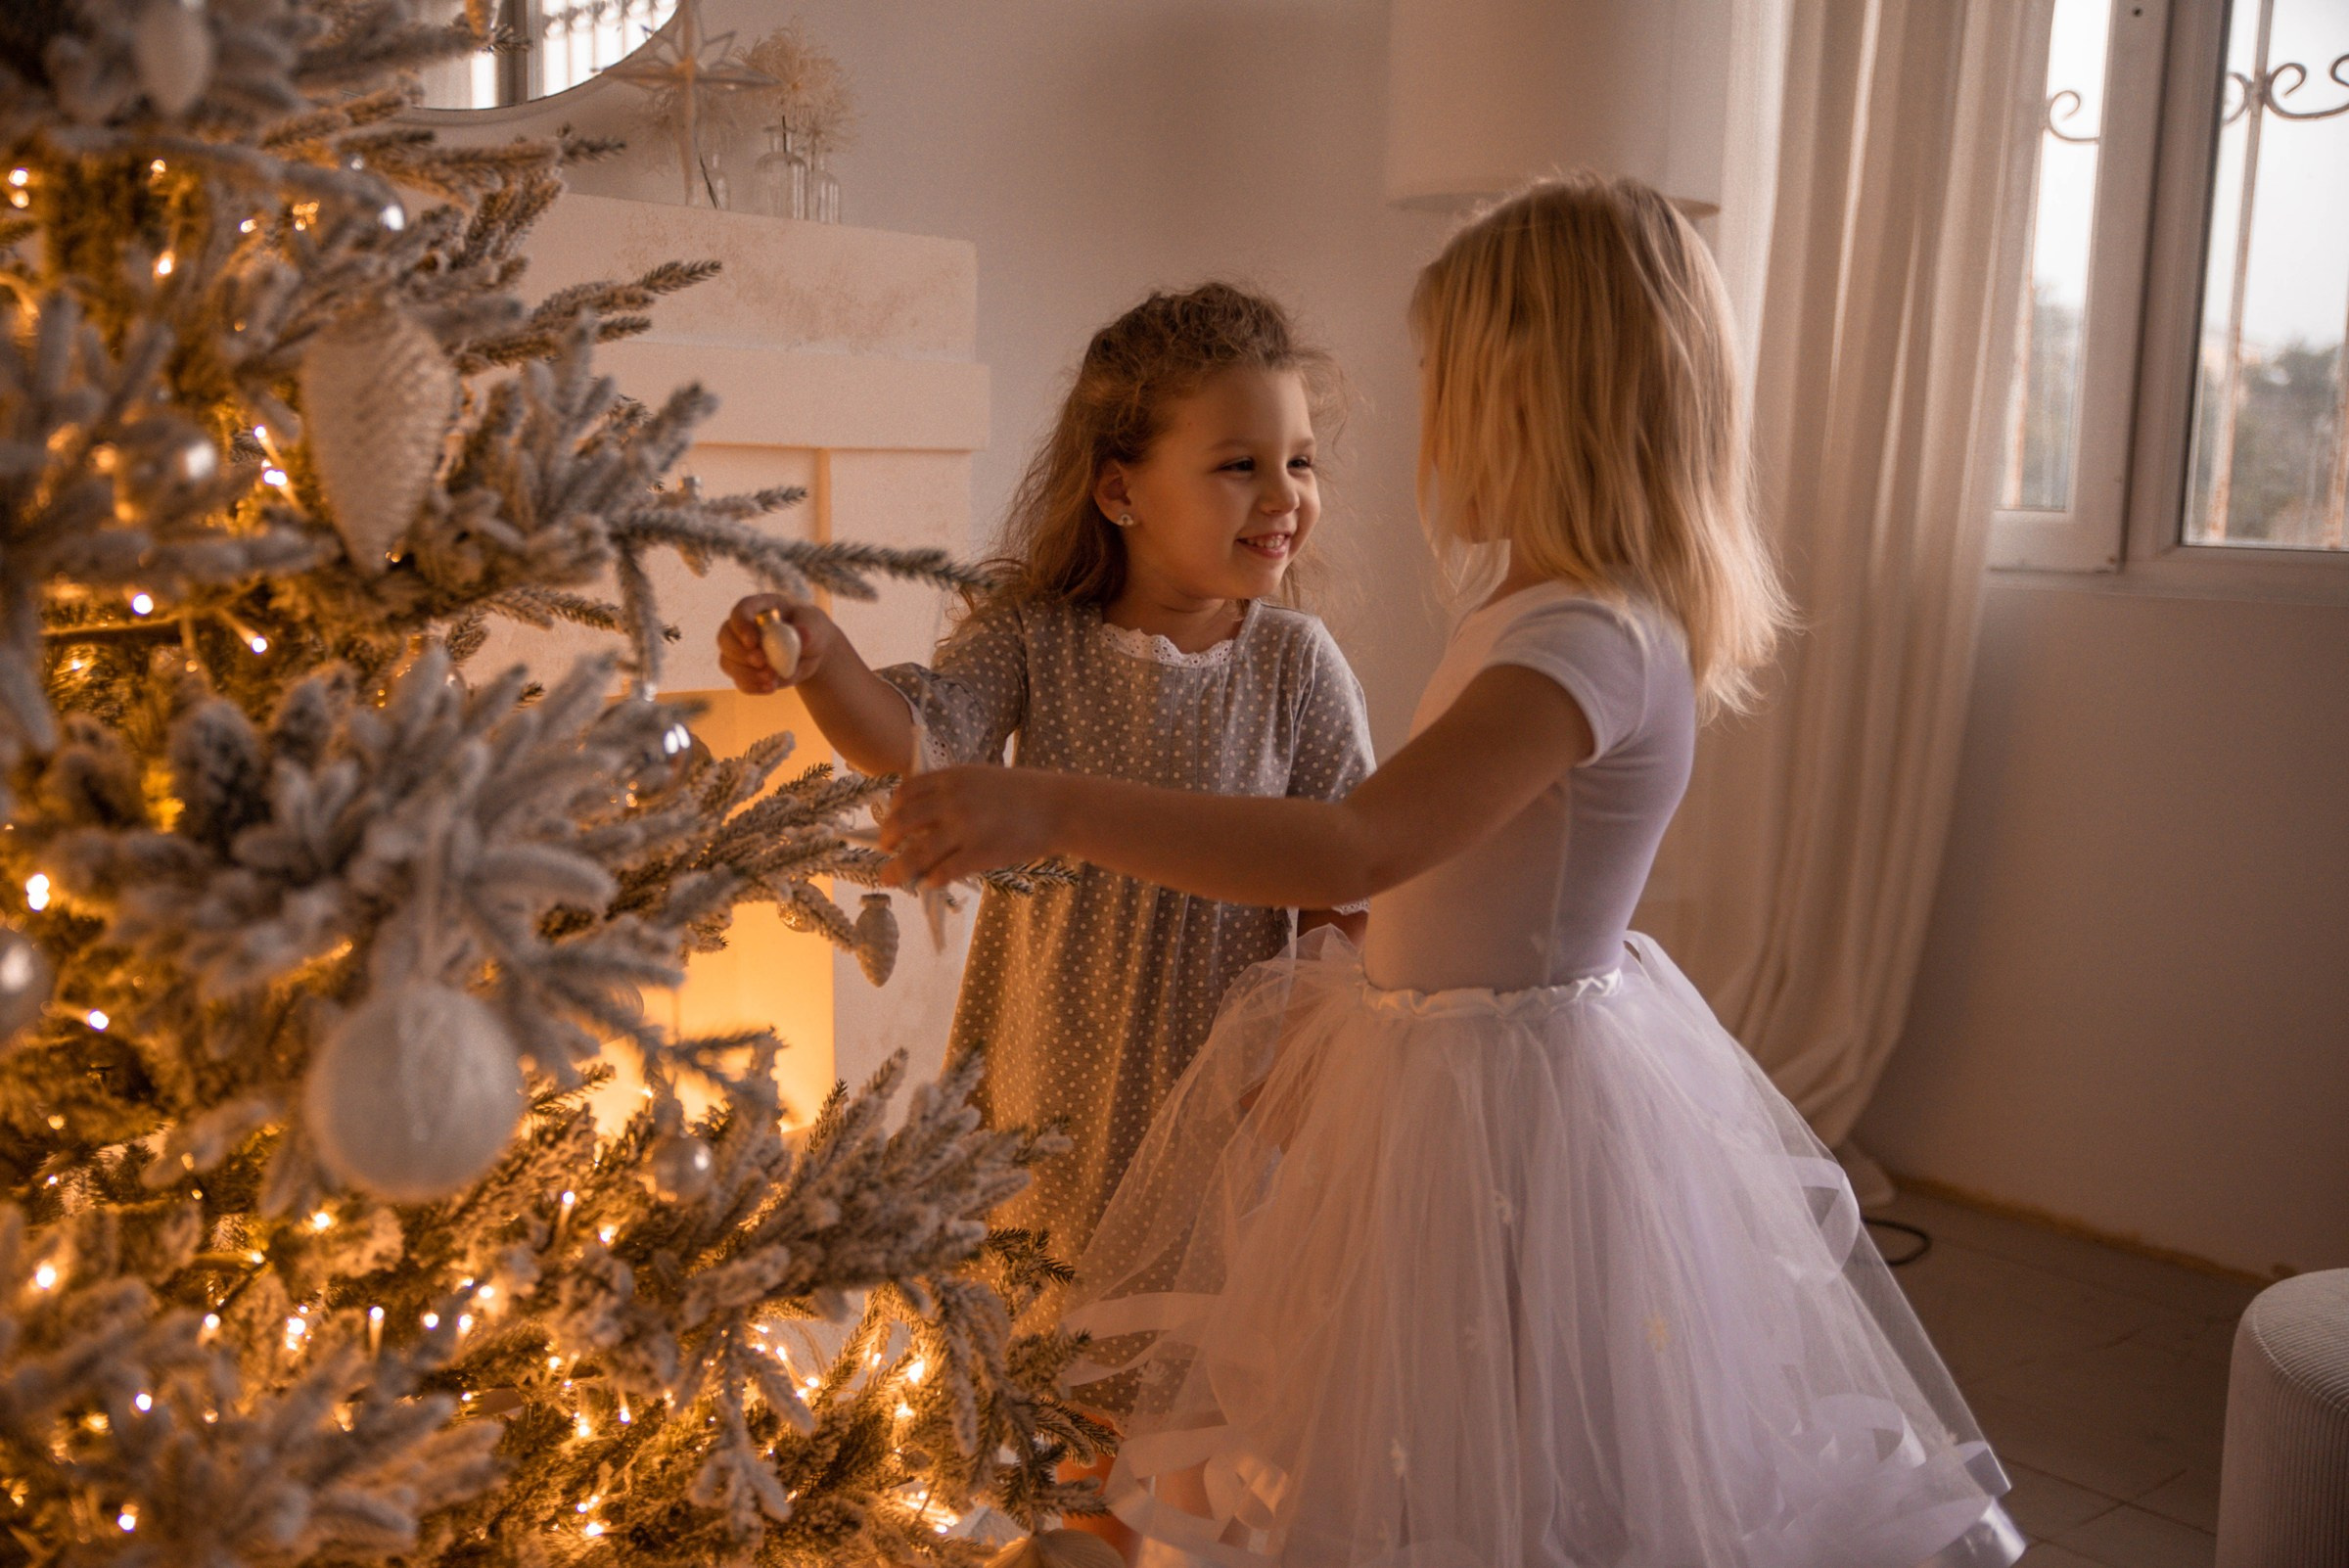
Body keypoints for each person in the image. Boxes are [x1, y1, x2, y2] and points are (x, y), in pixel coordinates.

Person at [878, 177, 2023, 1567]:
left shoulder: (1580, 640)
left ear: (1533, 402)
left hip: (1497, 1110)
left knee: (1488, 1440)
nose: (1420, 427)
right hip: (1438, 1070)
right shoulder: (1551, 611)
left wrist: (1049, 805)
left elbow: (1357, 842)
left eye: (1447, 382)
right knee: (1365, 1428)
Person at [715, 280, 1376, 1312]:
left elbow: (1351, 883)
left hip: (1220, 1082)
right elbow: (910, 743)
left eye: (1300, 461)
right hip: (1047, 1058)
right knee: (1040, 1331)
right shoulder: (1034, 637)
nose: (1285, 493)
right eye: (1239, 466)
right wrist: (825, 658)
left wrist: (1291, 1068)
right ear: (1121, 493)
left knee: (1180, 1365)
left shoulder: (1298, 664)